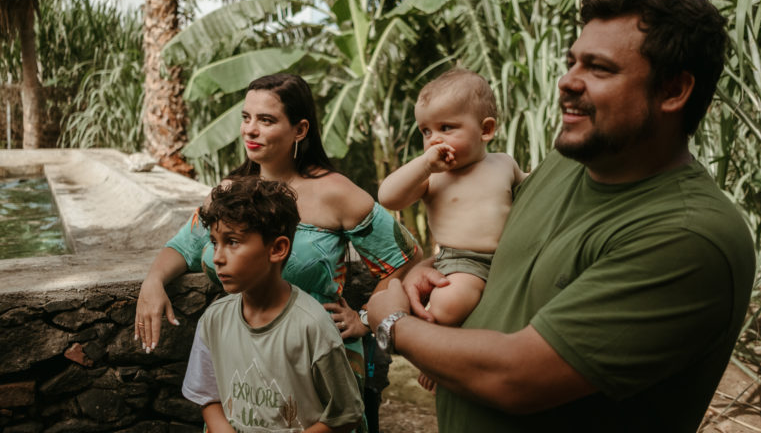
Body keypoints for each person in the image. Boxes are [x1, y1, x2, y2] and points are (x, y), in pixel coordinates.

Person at [367, 0, 756, 432]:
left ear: (673, 90)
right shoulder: (569, 162)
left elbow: (519, 378)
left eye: (599, 68)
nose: (567, 81)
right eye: (573, 62)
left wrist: (392, 324)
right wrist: (430, 269)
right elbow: (504, 252)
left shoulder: (685, 236)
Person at [135, 73, 420, 431]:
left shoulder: (335, 192)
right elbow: (184, 246)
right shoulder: (231, 192)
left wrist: (363, 318)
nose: (250, 130)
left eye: (266, 120)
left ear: (300, 129)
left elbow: (406, 258)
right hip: (241, 355)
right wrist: (153, 282)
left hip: (315, 358)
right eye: (246, 117)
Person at [182, 176, 362, 432]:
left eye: (232, 242)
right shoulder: (214, 320)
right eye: (214, 242)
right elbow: (208, 395)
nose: (217, 257)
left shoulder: (312, 326)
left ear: (277, 249)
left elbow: (347, 414)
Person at [378, 68, 527, 327]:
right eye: (426, 131)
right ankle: (435, 336)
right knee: (450, 304)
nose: (434, 139)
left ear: (486, 130)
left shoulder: (504, 163)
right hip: (462, 262)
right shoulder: (433, 177)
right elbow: (388, 197)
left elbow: (531, 187)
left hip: (512, 258)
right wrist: (425, 164)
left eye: (445, 128)